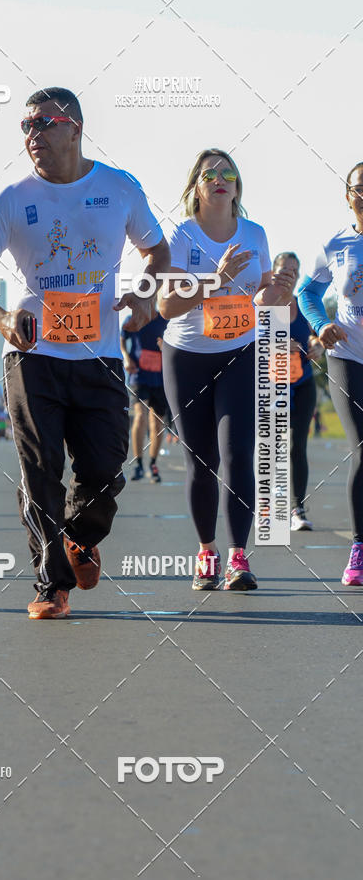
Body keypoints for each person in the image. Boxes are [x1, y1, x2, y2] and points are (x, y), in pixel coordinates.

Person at [0, 85, 170, 619]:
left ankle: (80, 535)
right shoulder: (12, 199)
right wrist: (3, 318)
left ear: (74, 127)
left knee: (105, 468)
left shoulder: (119, 188)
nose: (33, 135)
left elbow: (158, 253)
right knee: (39, 469)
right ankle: (50, 584)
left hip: (98, 358)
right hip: (33, 357)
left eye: (43, 123)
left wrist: (144, 297)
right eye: (25, 127)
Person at [158, 149, 294, 591]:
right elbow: (165, 306)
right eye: (209, 173)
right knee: (201, 461)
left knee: (238, 452)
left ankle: (239, 557)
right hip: (187, 356)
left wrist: (281, 293)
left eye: (228, 173)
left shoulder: (255, 234)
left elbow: (265, 303)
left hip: (240, 351)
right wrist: (213, 281)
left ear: (237, 187)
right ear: (196, 187)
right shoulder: (182, 234)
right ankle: (207, 552)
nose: (220, 178)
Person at [298, 160, 363, 585]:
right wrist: (321, 325)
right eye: (360, 186)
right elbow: (307, 291)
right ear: (348, 196)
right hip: (348, 356)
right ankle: (360, 548)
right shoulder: (336, 243)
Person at [270, 253, 324, 531]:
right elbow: (247, 343)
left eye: (294, 269)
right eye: (284, 269)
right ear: (273, 271)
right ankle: (269, 507)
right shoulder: (263, 301)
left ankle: (297, 508)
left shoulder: (303, 302)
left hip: (302, 381)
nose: (289, 274)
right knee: (269, 447)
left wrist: (317, 345)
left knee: (296, 445)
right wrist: (276, 343)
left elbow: (315, 335)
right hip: (269, 383)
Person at [121, 312, 168, 483]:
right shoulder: (133, 318)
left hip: (160, 377)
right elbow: (121, 339)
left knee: (157, 422)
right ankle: (139, 463)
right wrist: (126, 358)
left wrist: (166, 346)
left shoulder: (165, 319)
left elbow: (175, 343)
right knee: (140, 416)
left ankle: (153, 464)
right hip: (138, 375)